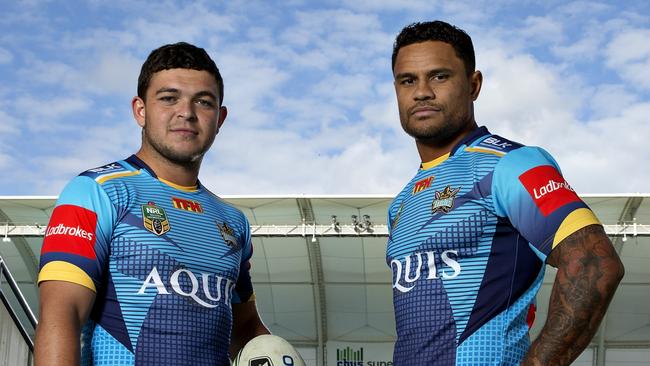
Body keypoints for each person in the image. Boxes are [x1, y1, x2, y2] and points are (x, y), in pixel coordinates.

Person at [386, 20, 624, 366]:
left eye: (439, 76)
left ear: (473, 84)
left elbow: (593, 263)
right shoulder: (402, 204)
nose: (422, 91)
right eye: (408, 80)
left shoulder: (511, 164)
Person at [34, 42, 269, 365]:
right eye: (169, 98)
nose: (186, 112)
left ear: (220, 118)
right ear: (140, 110)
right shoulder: (95, 192)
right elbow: (62, 315)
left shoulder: (233, 222)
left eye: (203, 101)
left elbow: (245, 329)